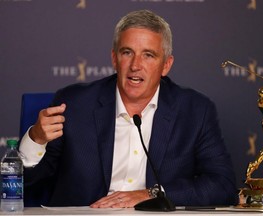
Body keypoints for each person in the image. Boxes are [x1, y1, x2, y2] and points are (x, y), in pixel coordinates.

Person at [19, 9, 237, 208]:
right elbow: (28, 183)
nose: (135, 65)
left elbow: (222, 186)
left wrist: (152, 194)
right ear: (114, 58)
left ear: (166, 65)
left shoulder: (195, 111)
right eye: (127, 53)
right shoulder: (74, 104)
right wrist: (36, 139)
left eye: (148, 55)